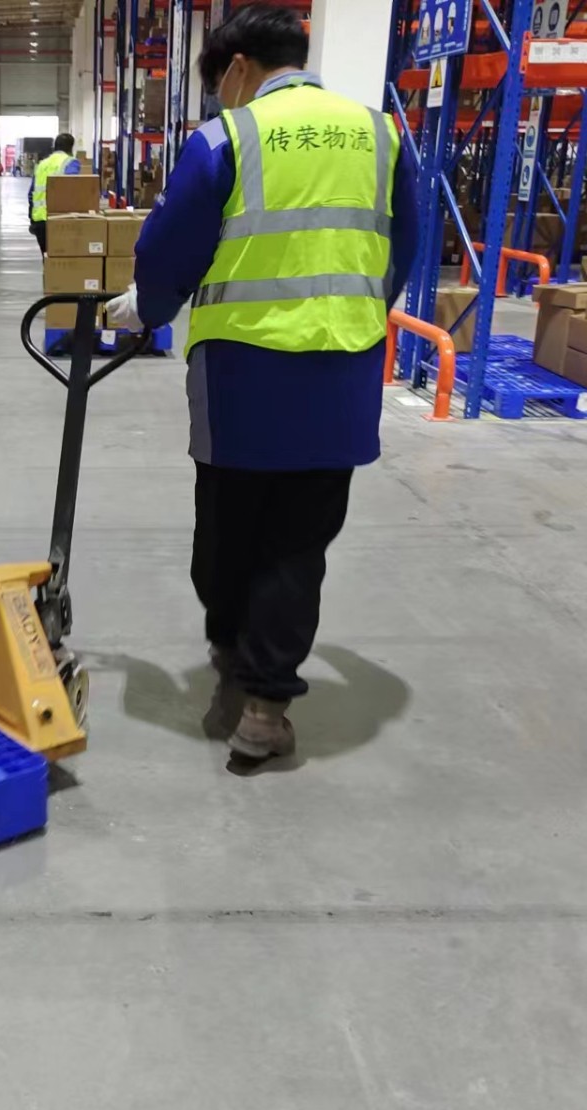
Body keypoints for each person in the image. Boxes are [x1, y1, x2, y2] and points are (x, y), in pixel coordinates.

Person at [107, 3, 419, 763]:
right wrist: (351, 312)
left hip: (241, 378)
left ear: (239, 67)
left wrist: (146, 308)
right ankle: (265, 705)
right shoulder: (382, 135)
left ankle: (232, 650)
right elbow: (404, 247)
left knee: (226, 532)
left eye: (219, 82)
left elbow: (171, 246)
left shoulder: (227, 138)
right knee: (298, 545)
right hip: (341, 375)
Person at [29, 133, 81, 254]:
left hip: (39, 219)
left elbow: (31, 193)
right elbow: (73, 189)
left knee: (47, 259)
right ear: (70, 148)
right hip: (60, 218)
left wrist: (32, 219)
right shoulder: (71, 162)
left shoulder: (42, 164)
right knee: (62, 258)